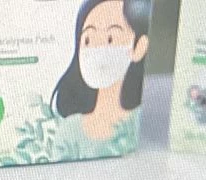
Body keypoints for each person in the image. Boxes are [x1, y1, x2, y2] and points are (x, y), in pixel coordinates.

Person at [51, 0, 153, 157]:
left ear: (139, 47)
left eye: (110, 38)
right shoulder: (69, 131)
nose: (97, 48)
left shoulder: (134, 125)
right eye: (88, 40)